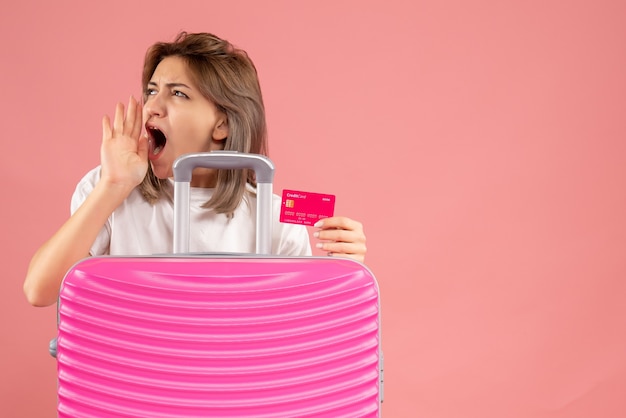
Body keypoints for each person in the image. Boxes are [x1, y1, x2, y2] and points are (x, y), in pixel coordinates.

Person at [23, 32, 367, 307]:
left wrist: (346, 268)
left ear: (222, 124)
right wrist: (112, 185)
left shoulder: (275, 218)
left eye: (178, 94)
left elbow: (296, 328)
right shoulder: (108, 190)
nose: (151, 107)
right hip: (130, 388)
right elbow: (40, 291)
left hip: (236, 390)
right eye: (151, 91)